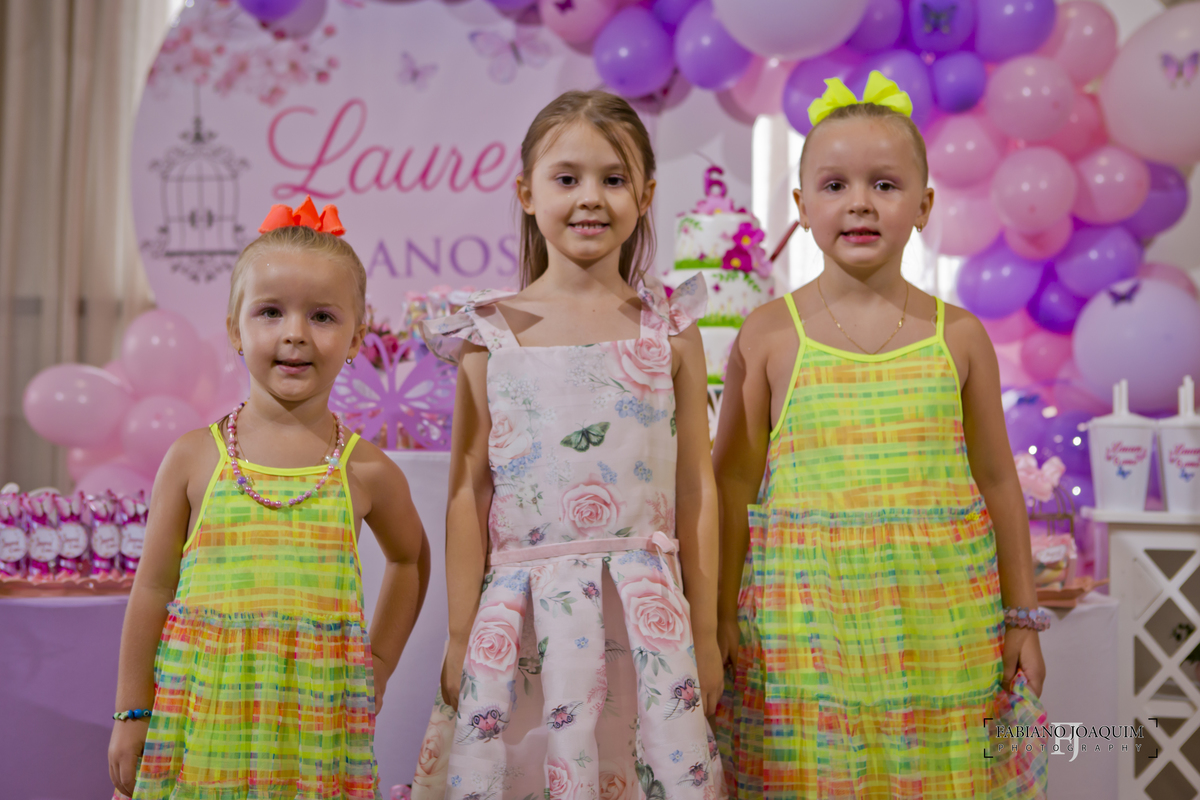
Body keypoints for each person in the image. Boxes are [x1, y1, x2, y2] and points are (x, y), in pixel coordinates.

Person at [713, 73, 1049, 799]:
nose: (860, 202)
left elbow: (997, 480)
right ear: (801, 207)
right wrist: (717, 615)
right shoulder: (769, 335)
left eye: (885, 185)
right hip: (805, 627)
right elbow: (733, 482)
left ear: (923, 206)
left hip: (942, 625)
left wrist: (1022, 618)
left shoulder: (959, 337)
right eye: (835, 185)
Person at [410, 90, 723, 800]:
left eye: (613, 179)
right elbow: (468, 491)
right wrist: (460, 636)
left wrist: (704, 632)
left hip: (643, 625)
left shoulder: (671, 332)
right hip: (524, 623)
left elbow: (697, 487)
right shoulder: (489, 335)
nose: (590, 198)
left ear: (645, 197)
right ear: (527, 193)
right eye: (566, 178)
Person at [107, 198, 431, 799]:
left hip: (315, 728)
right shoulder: (194, 457)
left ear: (357, 337)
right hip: (201, 717)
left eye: (323, 316)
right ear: (236, 329)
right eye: (270, 312)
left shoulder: (366, 470)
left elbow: (411, 559)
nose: (295, 333)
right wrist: (132, 711)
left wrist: (380, 664)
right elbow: (151, 588)